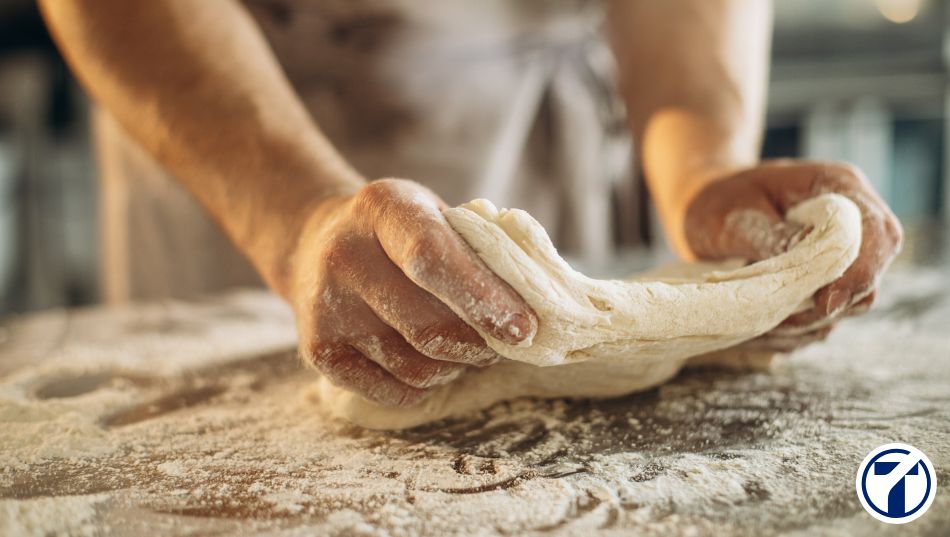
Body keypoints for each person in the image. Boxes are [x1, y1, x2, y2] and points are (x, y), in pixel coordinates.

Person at [39, 0, 902, 407]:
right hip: (234, 116)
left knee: (546, 354)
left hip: (532, 108)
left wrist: (703, 163)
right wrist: (297, 223)